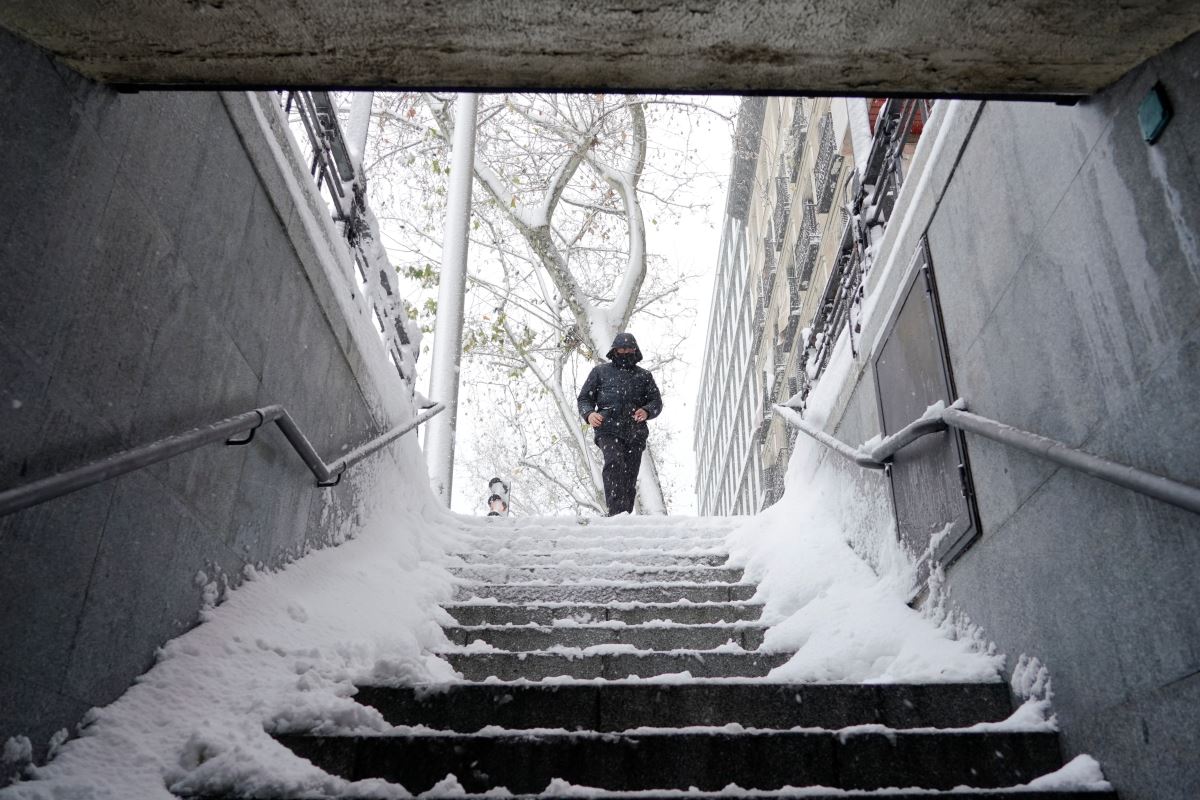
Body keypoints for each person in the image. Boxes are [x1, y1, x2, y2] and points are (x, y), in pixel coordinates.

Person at [577, 332, 663, 516]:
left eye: (628, 348)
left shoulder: (644, 376)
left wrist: (646, 411)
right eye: (621, 348)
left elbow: (656, 402)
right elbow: (584, 398)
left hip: (635, 432)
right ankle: (615, 512)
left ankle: (624, 514)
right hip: (608, 429)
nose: (624, 352)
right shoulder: (600, 372)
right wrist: (589, 413)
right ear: (614, 350)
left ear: (635, 350)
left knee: (630, 473)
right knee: (614, 463)